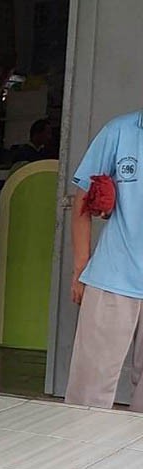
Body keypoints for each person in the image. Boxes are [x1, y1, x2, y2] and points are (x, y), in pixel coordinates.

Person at [65, 110, 143, 411]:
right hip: (113, 276)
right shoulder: (119, 131)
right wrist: (80, 268)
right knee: (89, 391)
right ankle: (79, 455)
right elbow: (82, 200)